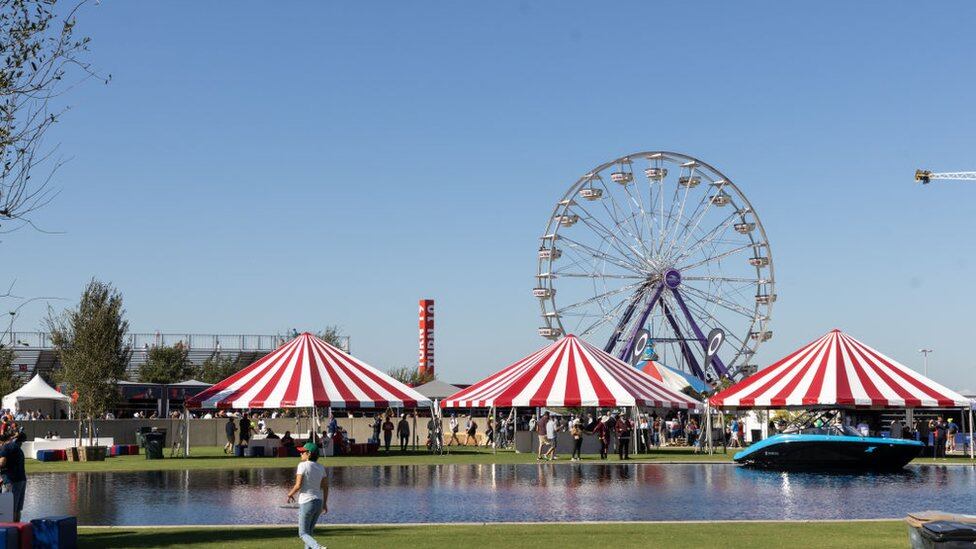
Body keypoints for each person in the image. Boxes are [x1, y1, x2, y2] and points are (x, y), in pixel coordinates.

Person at [286, 442, 329, 549]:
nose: (301, 454)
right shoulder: (321, 467)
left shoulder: (302, 465)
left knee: (303, 533)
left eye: (303, 452)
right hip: (318, 502)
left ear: (309, 454)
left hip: (306, 502)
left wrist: (290, 494)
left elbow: (298, 485)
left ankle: (318, 547)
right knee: (309, 533)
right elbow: (326, 487)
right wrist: (324, 504)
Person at [0, 431, 27, 522]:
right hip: (21, 480)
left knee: (7, 510)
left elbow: (2, 462)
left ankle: (8, 534)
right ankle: (18, 533)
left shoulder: (5, 447)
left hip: (11, 481)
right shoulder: (17, 447)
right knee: (17, 509)